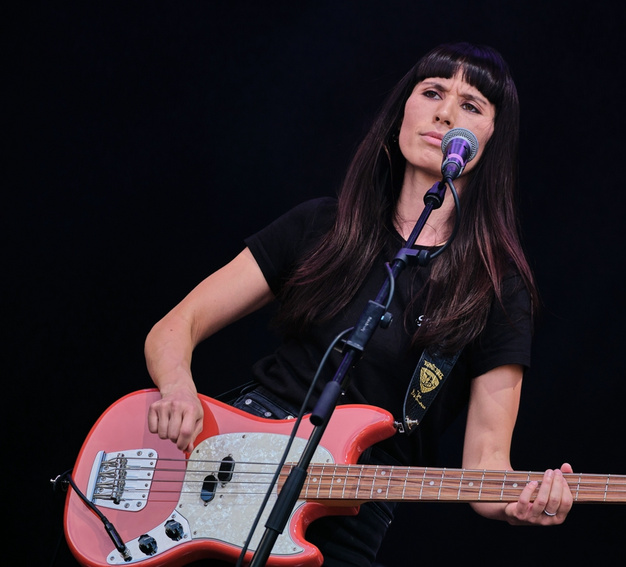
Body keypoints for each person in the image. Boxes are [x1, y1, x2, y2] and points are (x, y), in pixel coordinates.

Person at [144, 42, 573, 566]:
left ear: (491, 139)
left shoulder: (494, 288)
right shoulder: (321, 226)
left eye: (471, 105)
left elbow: (486, 468)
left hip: (342, 522)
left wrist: (524, 501)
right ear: (402, 112)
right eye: (433, 92)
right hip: (223, 471)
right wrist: (179, 391)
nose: (444, 113)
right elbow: (176, 326)